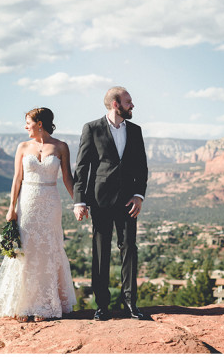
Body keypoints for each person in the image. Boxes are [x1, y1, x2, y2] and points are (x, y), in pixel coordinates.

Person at [0, 107, 77, 322]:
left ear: (40, 124)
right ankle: (23, 305)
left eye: (28, 122)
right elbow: (17, 179)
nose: (26, 127)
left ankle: (45, 305)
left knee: (48, 248)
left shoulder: (61, 146)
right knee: (26, 251)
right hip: (27, 202)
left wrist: (78, 203)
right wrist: (11, 208)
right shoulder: (23, 146)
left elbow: (67, 178)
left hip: (50, 203)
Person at [73, 86, 148, 321]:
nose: (132, 105)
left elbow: (142, 167)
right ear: (115, 104)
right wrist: (79, 201)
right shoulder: (92, 128)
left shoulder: (135, 131)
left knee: (129, 250)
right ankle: (102, 306)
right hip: (100, 200)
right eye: (128, 102)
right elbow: (82, 167)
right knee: (101, 251)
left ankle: (130, 304)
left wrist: (139, 195)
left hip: (128, 201)